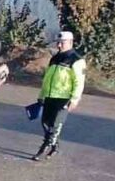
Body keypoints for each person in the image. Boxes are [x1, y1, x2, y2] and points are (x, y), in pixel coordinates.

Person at [32, 30, 86, 161]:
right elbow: (48, 78)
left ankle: (44, 148)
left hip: (64, 98)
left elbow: (79, 82)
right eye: (58, 43)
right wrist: (42, 95)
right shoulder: (55, 58)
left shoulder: (77, 60)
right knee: (45, 122)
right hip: (50, 96)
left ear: (71, 43)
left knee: (55, 125)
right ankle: (54, 146)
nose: (59, 45)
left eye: (62, 43)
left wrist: (74, 99)